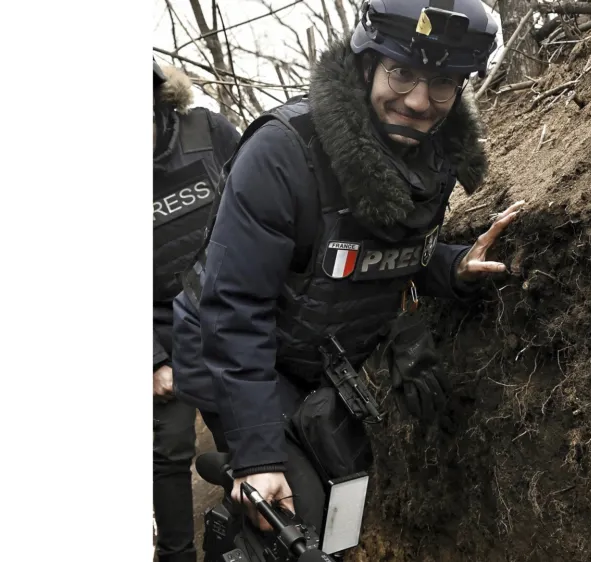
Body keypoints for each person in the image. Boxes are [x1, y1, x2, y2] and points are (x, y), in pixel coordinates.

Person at [172, 0, 522, 539]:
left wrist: (451, 265)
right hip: (234, 349)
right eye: (401, 72)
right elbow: (234, 310)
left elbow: (376, 254)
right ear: (367, 63)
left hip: (317, 346)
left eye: (443, 83)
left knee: (348, 495)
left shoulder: (434, 154)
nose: (418, 101)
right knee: (291, 511)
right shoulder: (282, 153)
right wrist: (256, 454)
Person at [152, 59, 241, 562]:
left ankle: (250, 537)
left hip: (228, 313)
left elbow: (258, 206)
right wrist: (152, 359)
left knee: (248, 433)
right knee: (169, 450)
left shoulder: (208, 131)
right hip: (159, 326)